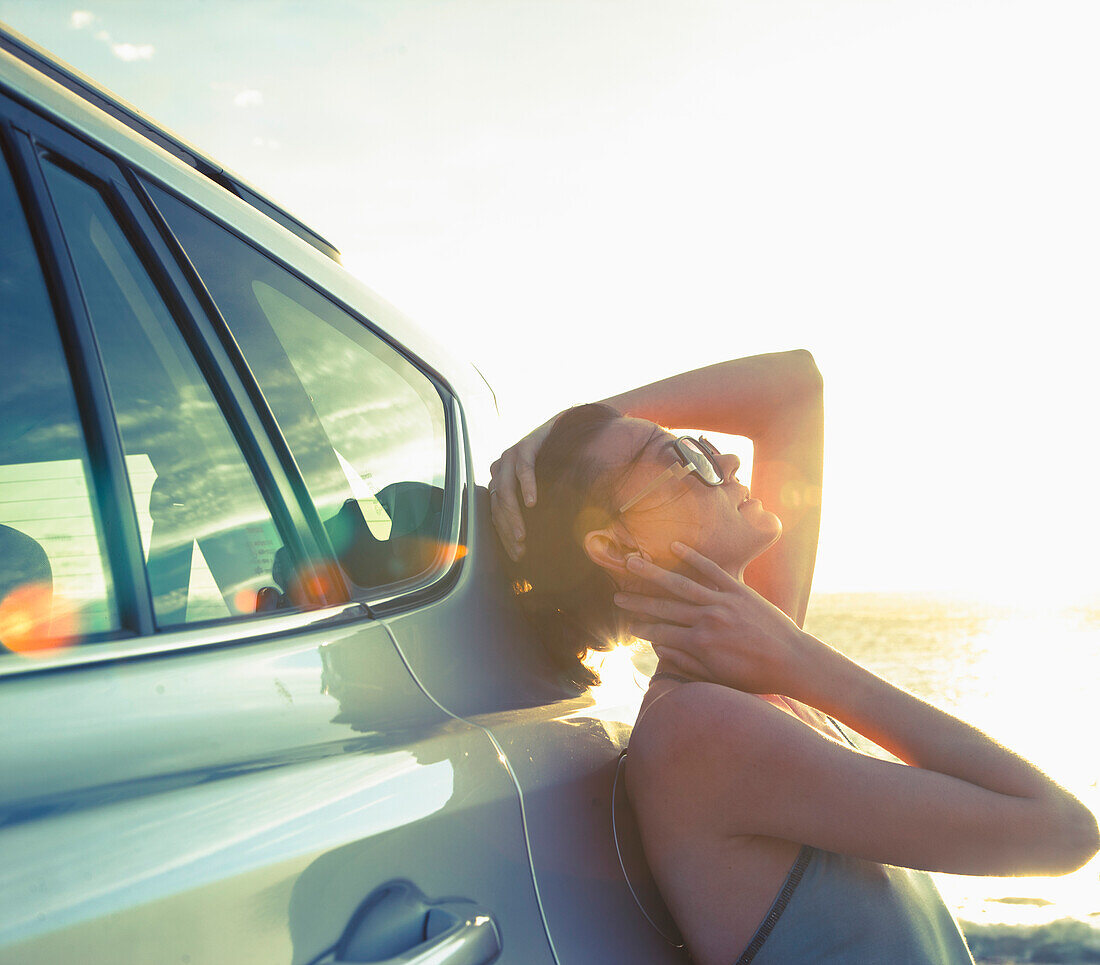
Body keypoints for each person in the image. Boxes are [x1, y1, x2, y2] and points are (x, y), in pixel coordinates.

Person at [487, 351, 1099, 965]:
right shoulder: (699, 727)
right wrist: (802, 660)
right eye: (683, 460)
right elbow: (1065, 834)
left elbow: (793, 388)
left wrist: (582, 420)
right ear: (617, 545)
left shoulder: (736, 671)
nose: (724, 459)